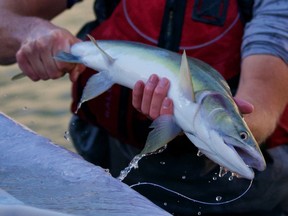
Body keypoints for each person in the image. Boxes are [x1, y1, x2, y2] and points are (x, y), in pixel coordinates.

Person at [1, 0, 288, 215]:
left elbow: (264, 105)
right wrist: (34, 32)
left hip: (242, 200)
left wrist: (237, 127)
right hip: (108, 171)